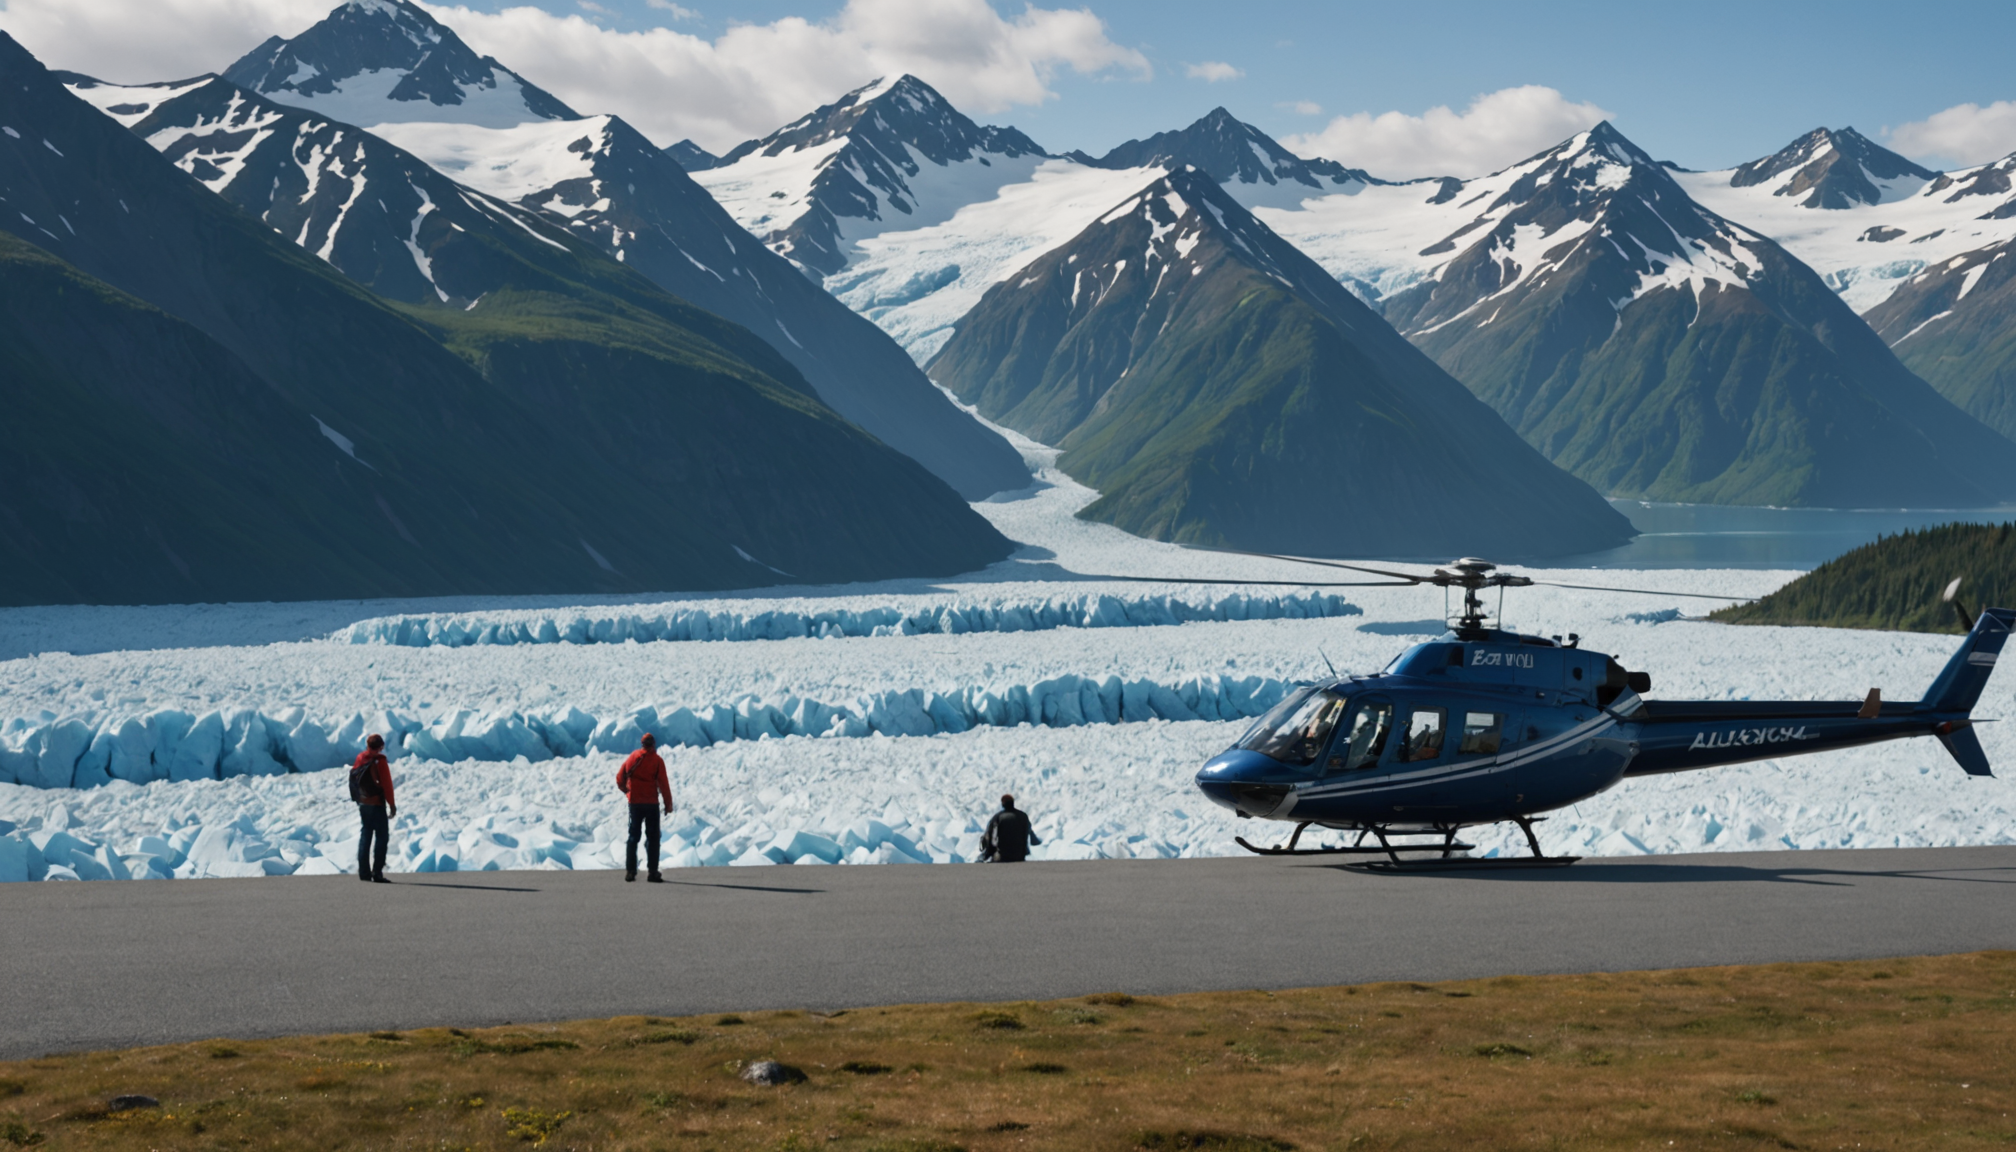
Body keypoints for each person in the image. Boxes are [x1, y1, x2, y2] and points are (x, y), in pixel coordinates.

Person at [617, 733, 674, 882]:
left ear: (642, 744)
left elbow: (619, 777)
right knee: (653, 837)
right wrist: (668, 804)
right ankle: (653, 872)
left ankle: (630, 872)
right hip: (651, 805)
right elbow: (664, 784)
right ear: (653, 744)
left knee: (633, 837)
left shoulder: (633, 757)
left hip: (635, 804)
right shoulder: (657, 761)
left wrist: (626, 791)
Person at [349, 734, 396, 883]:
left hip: (363, 804)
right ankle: (377, 872)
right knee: (382, 837)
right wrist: (392, 805)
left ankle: (364, 872)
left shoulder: (360, 758)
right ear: (381, 746)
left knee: (366, 835)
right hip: (377, 804)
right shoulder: (380, 761)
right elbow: (387, 785)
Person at [979, 794, 1041, 863]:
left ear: (1002, 804)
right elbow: (1032, 836)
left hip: (1001, 857)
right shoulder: (1023, 816)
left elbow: (990, 836)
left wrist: (988, 853)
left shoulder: (997, 817)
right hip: (1020, 856)